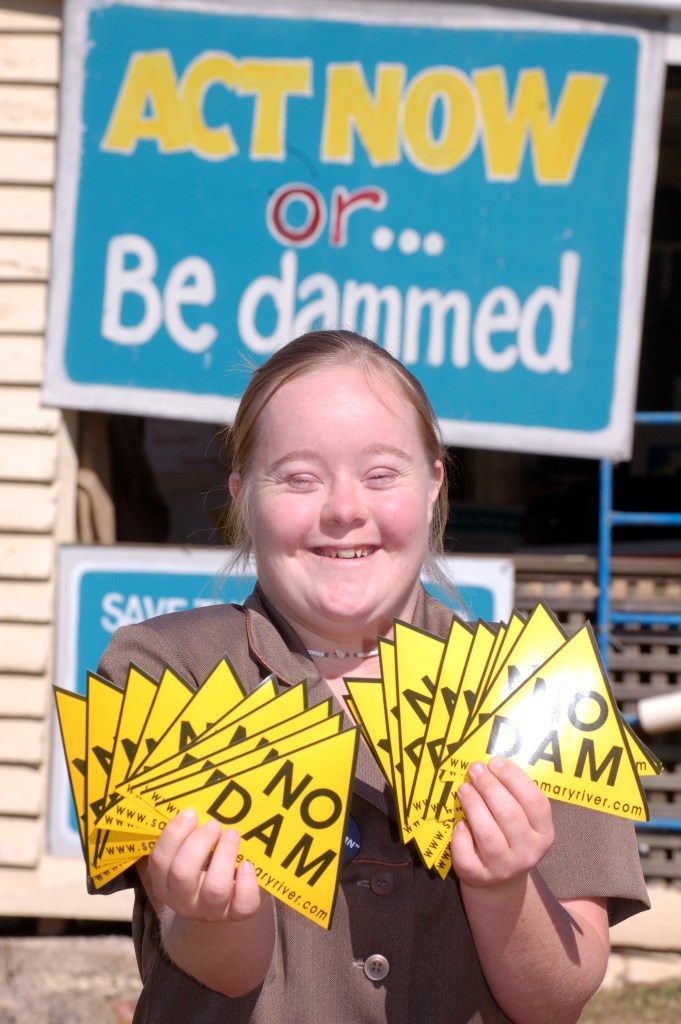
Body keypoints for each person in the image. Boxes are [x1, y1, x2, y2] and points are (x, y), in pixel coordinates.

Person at [98, 329, 649, 1024]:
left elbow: (556, 999)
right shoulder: (159, 674)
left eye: (381, 474)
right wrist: (212, 913)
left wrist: (503, 884)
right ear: (243, 497)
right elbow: (222, 970)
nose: (342, 508)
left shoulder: (537, 688)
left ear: (433, 485)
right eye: (298, 477)